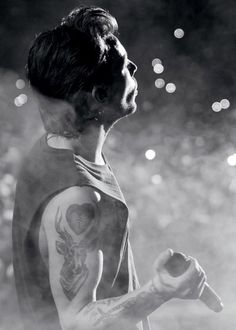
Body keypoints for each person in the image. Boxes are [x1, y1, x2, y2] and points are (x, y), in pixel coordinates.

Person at [12, 6, 207, 330]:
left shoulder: (61, 149)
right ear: (99, 95)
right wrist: (159, 291)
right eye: (122, 65)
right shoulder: (76, 196)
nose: (133, 66)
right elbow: (78, 321)